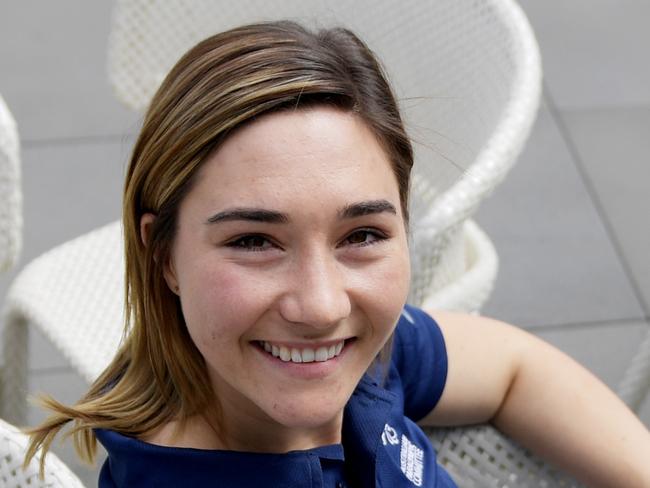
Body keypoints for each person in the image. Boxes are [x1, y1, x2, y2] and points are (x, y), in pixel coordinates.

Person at [24, 20, 650, 488]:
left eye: (362, 235)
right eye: (253, 242)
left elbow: (514, 369)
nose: (322, 306)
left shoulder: (351, 355)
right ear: (163, 257)